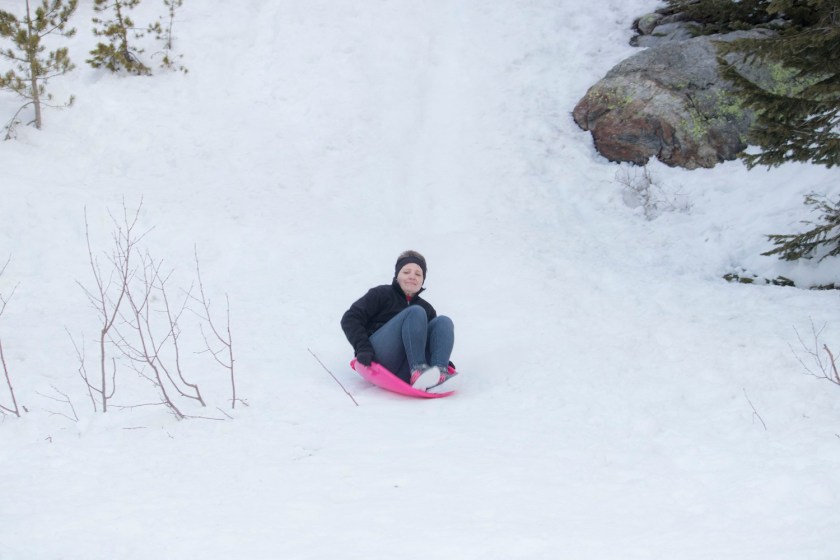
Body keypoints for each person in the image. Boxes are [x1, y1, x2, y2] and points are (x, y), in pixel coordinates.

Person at [341, 250, 458, 392]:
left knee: (443, 321)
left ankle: (439, 373)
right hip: (382, 358)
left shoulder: (427, 308)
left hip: (406, 369)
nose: (412, 277)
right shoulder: (381, 294)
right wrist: (362, 348)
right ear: (397, 275)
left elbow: (434, 339)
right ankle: (418, 370)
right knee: (415, 312)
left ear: (422, 280)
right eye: (406, 272)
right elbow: (350, 318)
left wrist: (442, 358)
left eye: (418, 274)